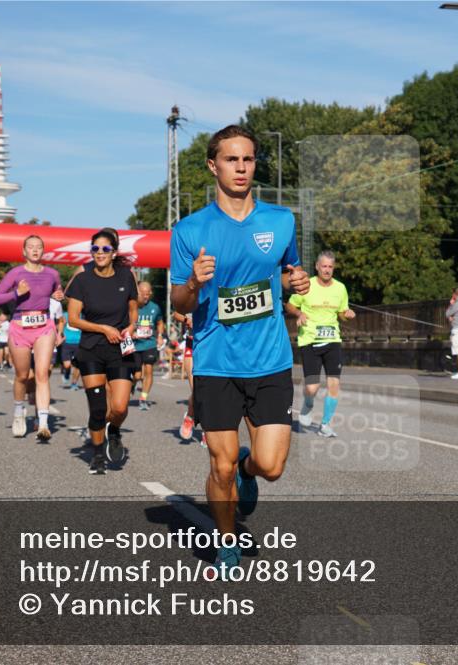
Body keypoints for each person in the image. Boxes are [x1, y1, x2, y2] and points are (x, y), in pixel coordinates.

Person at [171, 125, 309, 576]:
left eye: (248, 159)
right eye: (231, 159)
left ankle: (250, 475)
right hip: (216, 362)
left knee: (268, 466)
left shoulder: (281, 220)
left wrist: (298, 282)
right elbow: (179, 302)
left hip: (270, 359)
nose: (241, 167)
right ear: (213, 165)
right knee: (221, 464)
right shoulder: (190, 231)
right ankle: (226, 541)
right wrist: (194, 282)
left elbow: (288, 273)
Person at [66, 228, 139, 474]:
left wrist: (131, 325)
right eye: (95, 249)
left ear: (114, 252)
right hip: (91, 349)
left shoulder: (126, 276)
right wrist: (102, 328)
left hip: (120, 347)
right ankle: (97, 455)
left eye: (105, 249)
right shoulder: (82, 279)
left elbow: (133, 309)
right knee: (98, 407)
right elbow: (74, 319)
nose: (99, 253)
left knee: (119, 407)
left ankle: (114, 430)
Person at [0, 235, 62, 440]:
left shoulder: (52, 274)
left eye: (39, 247)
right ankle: (18, 412)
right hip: (20, 326)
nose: (34, 250)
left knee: (42, 374)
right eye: (30, 247)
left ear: (43, 251)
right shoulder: (16, 273)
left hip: (44, 326)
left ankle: (43, 424)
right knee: (22, 375)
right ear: (24, 251)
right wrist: (17, 293)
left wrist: (58, 296)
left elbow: (58, 292)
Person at [285, 250, 355, 438]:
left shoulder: (340, 288)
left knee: (334, 385)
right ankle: (307, 405)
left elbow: (341, 312)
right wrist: (299, 314)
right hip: (310, 340)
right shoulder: (307, 286)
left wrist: (346, 315)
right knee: (312, 387)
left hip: (333, 340)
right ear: (317, 267)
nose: (327, 270)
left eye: (330, 267)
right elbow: (289, 305)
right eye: (324, 266)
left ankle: (325, 424)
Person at [132, 281, 162, 410]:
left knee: (149, 369)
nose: (145, 296)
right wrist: (131, 332)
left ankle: (143, 398)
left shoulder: (155, 307)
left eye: (147, 294)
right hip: (134, 345)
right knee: (137, 375)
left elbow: (160, 322)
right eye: (142, 293)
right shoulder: (131, 306)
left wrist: (160, 336)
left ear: (150, 293)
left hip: (149, 343)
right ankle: (133, 383)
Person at [59, 307, 82, 390]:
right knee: (67, 365)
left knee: (78, 365)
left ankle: (74, 383)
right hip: (67, 343)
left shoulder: (83, 316)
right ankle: (66, 373)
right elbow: (60, 325)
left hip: (79, 343)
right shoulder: (65, 315)